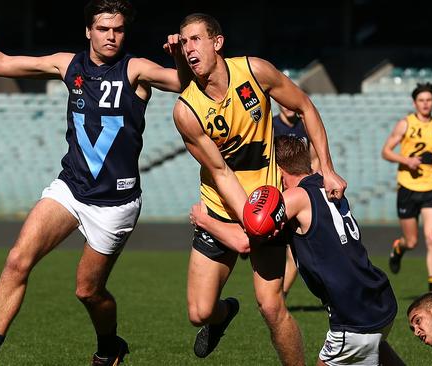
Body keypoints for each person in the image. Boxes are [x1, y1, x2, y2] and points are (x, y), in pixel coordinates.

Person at [0, 1, 188, 365]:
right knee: (17, 260)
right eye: (103, 29)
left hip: (115, 203)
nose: (111, 36)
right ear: (88, 31)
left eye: (119, 30)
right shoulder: (68, 64)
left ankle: (110, 346)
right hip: (70, 188)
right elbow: (1, 64)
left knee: (88, 292)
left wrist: (181, 58)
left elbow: (186, 84)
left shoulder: (136, 70)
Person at [171, 13, 347, 364]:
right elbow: (220, 171)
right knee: (199, 313)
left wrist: (326, 168)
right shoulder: (186, 110)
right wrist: (248, 220)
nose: (189, 48)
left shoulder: (255, 71)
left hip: (270, 201)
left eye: (196, 39)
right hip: (223, 206)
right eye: (184, 41)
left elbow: (305, 107)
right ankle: (225, 313)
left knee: (271, 306)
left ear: (217, 43)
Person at [190, 135, 404, 366]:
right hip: (379, 297)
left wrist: (204, 220)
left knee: (363, 346)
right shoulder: (325, 183)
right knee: (376, 346)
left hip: (353, 317)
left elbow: (245, 241)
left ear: (278, 170)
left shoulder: (295, 198)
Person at [381, 82, 432, 294]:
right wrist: (406, 160)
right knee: (411, 241)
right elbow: (386, 151)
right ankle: (398, 248)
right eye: (421, 100)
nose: (425, 104)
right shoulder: (405, 124)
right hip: (408, 188)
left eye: (429, 100)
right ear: (414, 103)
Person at [272, 101, 319, 298]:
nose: (288, 106)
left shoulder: (305, 126)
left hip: (298, 193)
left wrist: (312, 182)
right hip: (276, 191)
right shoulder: (270, 125)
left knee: (293, 249)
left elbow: (315, 158)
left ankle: (280, 295)